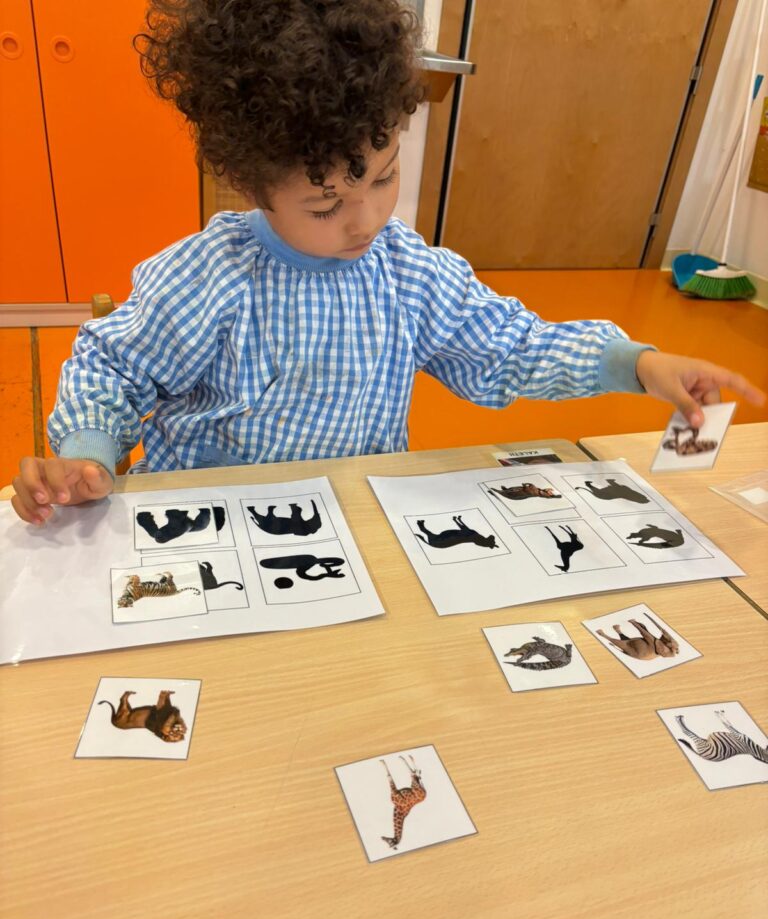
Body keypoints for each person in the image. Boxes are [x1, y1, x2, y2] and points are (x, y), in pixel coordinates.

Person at [10, 0, 764, 525]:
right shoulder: (210, 275)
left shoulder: (408, 274)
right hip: (213, 522)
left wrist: (637, 364)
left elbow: (510, 348)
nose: (367, 220)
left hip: (356, 520)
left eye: (384, 177)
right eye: (325, 206)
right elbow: (112, 368)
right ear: (254, 187)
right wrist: (88, 456)